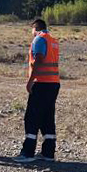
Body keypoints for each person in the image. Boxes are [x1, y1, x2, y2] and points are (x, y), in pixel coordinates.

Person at [15, 18, 59, 163]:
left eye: (32, 31)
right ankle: (48, 153)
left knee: (32, 118)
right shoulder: (53, 40)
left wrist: (30, 81)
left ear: (35, 28)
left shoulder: (39, 39)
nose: (32, 34)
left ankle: (28, 153)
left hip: (41, 84)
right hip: (53, 84)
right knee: (47, 118)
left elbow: (39, 60)